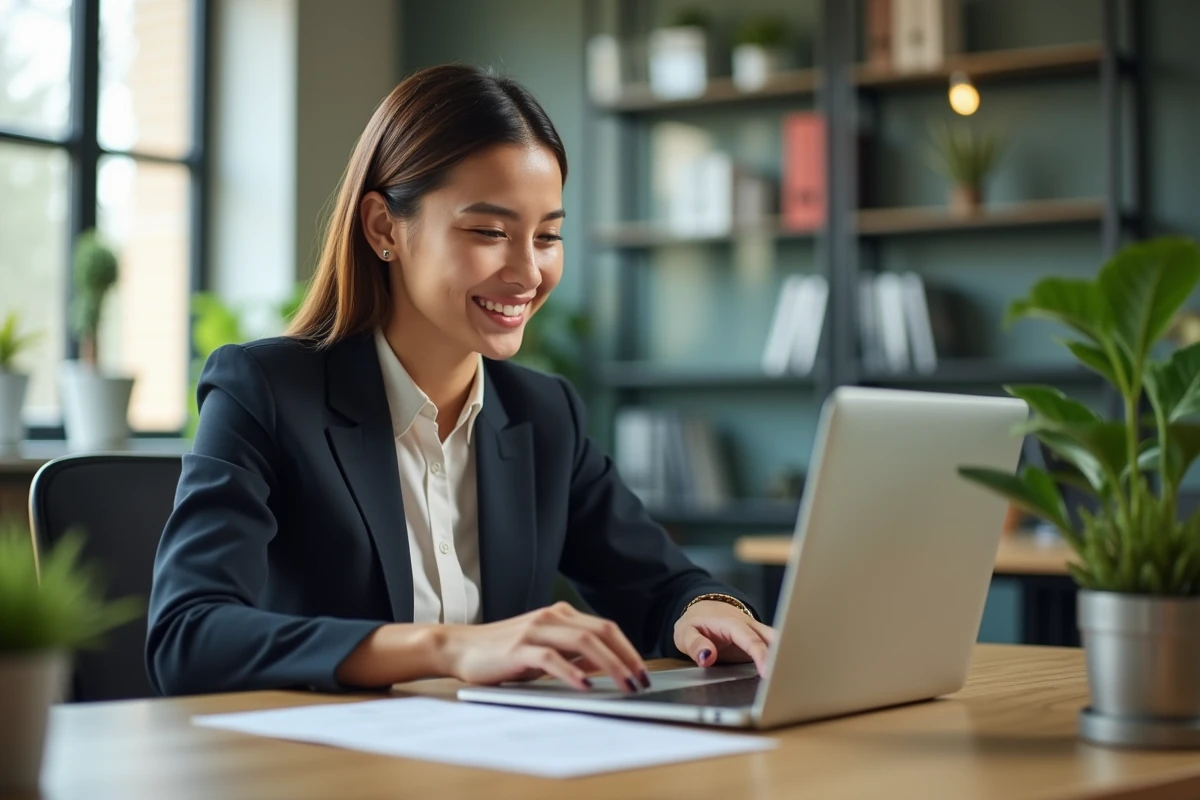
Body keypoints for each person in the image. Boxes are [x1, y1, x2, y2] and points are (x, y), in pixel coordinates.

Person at [145, 64, 775, 696]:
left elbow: (659, 583)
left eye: (549, 236)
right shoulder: (266, 392)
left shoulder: (543, 414)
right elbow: (188, 635)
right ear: (383, 227)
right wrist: (447, 648)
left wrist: (706, 609)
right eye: (489, 232)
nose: (528, 272)